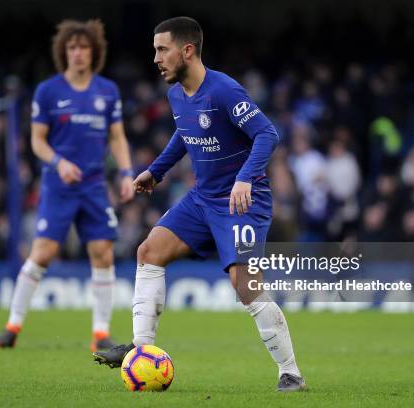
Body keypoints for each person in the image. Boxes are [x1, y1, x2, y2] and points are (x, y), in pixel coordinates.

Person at [93, 17, 305, 392]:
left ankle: (290, 373)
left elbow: (267, 134)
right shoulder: (177, 94)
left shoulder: (224, 90)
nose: (155, 58)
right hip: (202, 198)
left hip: (241, 203)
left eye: (162, 49)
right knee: (149, 251)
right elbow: (185, 131)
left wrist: (244, 177)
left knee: (246, 285)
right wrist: (155, 171)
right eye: (155, 50)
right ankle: (141, 350)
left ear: (187, 50)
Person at [0, 19, 134, 351]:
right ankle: (12, 325)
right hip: (58, 185)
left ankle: (100, 334)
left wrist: (127, 172)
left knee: (103, 253)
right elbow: (37, 142)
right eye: (72, 47)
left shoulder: (107, 91)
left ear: (93, 52)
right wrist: (59, 162)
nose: (78, 53)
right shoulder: (48, 91)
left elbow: (117, 137)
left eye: (84, 47)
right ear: (63, 52)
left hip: (94, 185)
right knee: (44, 252)